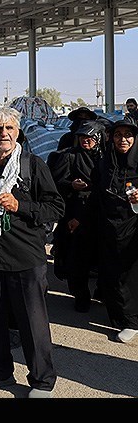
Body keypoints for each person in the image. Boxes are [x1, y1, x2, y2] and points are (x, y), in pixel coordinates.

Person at [0, 106, 63, 397]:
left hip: (25, 257)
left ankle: (42, 380)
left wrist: (22, 207)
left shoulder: (32, 165)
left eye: (9, 128)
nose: (3, 133)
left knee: (32, 321)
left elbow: (55, 207)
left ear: (17, 131)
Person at [87, 118, 138, 343]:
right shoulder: (105, 162)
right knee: (111, 274)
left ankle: (132, 321)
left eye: (128, 135)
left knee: (131, 275)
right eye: (118, 135)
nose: (123, 139)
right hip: (108, 227)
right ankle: (119, 317)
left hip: (134, 228)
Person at [48, 121, 102, 312]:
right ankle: (81, 295)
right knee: (77, 259)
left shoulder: (105, 157)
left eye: (90, 138)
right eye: (82, 138)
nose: (86, 141)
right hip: (75, 214)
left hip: (100, 214)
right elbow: (56, 183)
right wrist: (71, 185)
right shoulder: (69, 156)